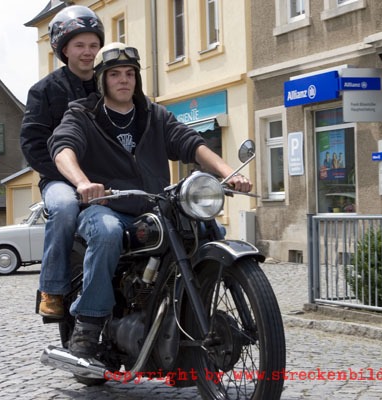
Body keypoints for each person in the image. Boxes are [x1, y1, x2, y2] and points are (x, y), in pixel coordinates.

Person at [48, 42, 252, 358]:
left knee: (207, 229)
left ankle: (197, 309)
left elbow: (191, 143)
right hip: (106, 207)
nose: (123, 80)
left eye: (129, 73)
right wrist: (83, 182)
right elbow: (63, 149)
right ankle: (88, 325)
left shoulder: (154, 115)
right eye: (115, 74)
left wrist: (229, 174)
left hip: (155, 207)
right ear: (102, 79)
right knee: (107, 233)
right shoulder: (83, 114)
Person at [20, 5, 104, 318]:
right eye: (80, 45)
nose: (88, 52)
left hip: (107, 176)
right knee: (66, 207)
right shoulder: (44, 90)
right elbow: (32, 144)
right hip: (59, 179)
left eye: (93, 45)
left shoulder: (109, 83)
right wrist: (72, 177)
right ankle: (52, 289)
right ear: (64, 49)